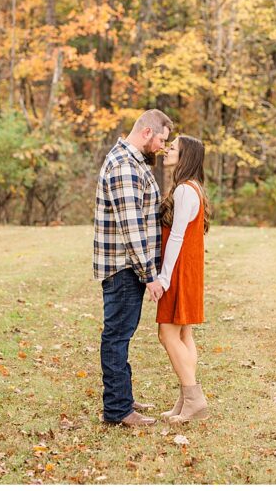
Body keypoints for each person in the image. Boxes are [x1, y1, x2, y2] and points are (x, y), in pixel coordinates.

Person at [94, 109, 173, 427]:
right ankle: (118, 410)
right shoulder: (125, 166)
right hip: (125, 268)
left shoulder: (132, 162)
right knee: (116, 336)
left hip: (128, 267)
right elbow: (132, 228)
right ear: (146, 133)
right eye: (161, 139)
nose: (162, 147)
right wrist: (149, 274)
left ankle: (121, 396)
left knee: (120, 335)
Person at [154, 134, 210, 422]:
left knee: (167, 333)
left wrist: (164, 279)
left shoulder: (185, 191)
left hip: (178, 271)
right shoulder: (193, 188)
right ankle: (186, 398)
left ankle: (194, 398)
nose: (167, 150)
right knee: (183, 333)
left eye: (173, 148)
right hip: (187, 268)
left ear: (185, 156)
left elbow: (176, 237)